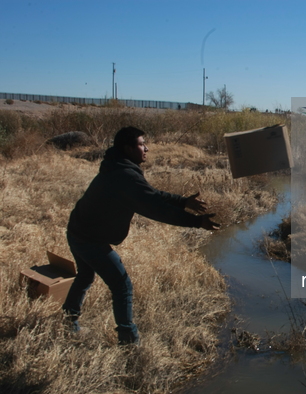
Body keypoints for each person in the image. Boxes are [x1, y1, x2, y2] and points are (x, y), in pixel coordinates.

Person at [63, 126, 220, 345]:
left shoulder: (119, 167)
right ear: (128, 148)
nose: (146, 148)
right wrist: (196, 222)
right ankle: (129, 341)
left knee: (85, 276)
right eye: (141, 144)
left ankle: (68, 320)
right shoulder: (124, 176)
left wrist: (182, 202)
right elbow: (156, 208)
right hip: (89, 239)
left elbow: (152, 195)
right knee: (122, 286)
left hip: (77, 229)